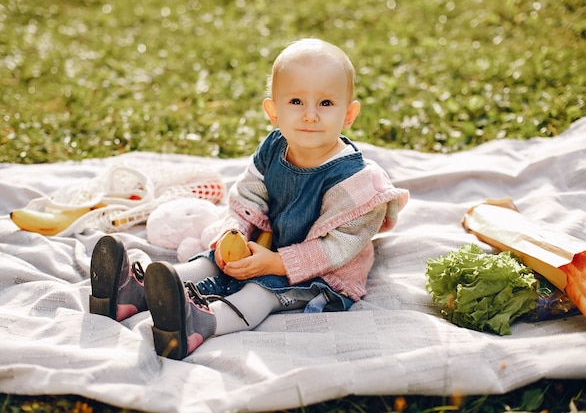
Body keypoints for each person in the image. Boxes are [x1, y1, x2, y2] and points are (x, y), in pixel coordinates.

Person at [89, 38, 409, 360]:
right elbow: (247, 197)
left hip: (323, 272)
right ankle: (132, 293)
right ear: (273, 111)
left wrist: (276, 263)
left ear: (349, 114)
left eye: (325, 103)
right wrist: (235, 234)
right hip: (268, 244)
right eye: (296, 101)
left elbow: (337, 246)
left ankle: (199, 323)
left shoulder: (359, 183)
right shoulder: (273, 149)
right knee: (212, 261)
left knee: (264, 289)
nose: (310, 115)